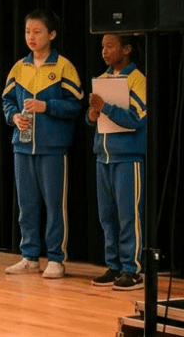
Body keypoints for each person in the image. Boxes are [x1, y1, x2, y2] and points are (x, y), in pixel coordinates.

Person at [1, 9, 83, 278]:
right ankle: (30, 257)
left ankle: (56, 258)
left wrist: (46, 106)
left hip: (52, 148)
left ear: (52, 34)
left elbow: (75, 105)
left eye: (37, 32)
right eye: (28, 31)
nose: (31, 37)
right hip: (22, 147)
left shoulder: (63, 67)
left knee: (54, 205)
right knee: (27, 205)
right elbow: (7, 101)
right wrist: (14, 117)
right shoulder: (19, 68)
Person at [86, 34, 146, 291]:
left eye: (110, 46)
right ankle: (114, 266)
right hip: (103, 157)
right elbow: (95, 119)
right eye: (102, 47)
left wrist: (106, 107)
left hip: (127, 158)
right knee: (107, 217)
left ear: (127, 49)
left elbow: (136, 118)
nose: (104, 51)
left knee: (128, 216)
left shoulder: (137, 79)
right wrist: (92, 114)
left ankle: (132, 270)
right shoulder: (103, 79)